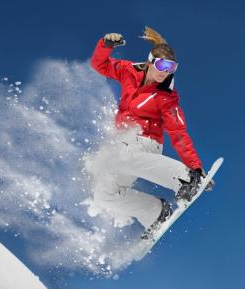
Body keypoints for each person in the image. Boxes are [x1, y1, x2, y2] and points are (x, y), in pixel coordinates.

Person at [88, 26, 209, 237]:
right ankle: (154, 213)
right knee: (103, 195)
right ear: (151, 61)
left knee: (123, 156)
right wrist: (105, 46)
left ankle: (184, 178)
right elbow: (100, 65)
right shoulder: (128, 71)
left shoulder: (166, 97)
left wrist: (195, 167)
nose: (165, 72)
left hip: (146, 144)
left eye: (171, 67)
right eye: (162, 65)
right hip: (122, 145)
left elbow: (178, 132)